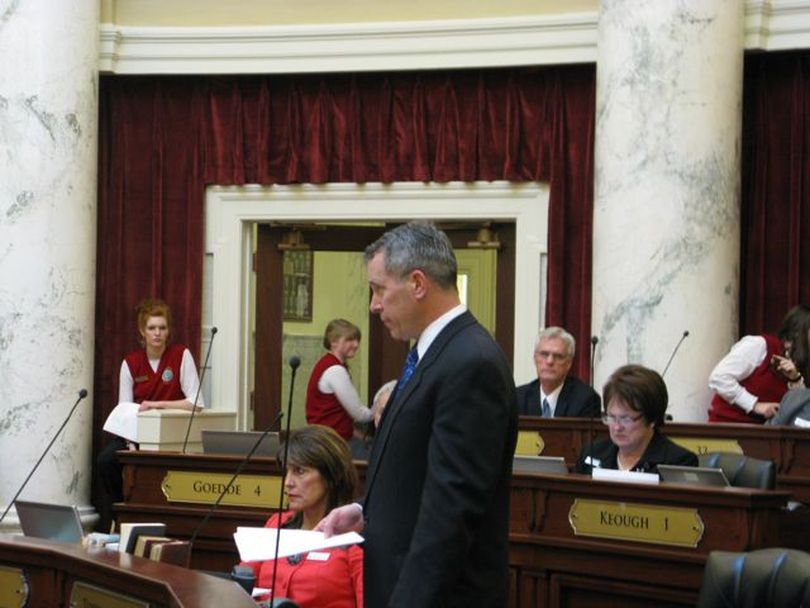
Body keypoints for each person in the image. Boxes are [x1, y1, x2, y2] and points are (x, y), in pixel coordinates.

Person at [318, 221, 518, 608]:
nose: (373, 305)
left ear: (418, 284)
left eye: (378, 289)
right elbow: (417, 473)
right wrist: (365, 513)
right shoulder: (433, 352)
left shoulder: (470, 362)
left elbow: (451, 510)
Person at [97, 298, 204, 529]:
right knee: (106, 460)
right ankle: (121, 514)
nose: (157, 333)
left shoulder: (181, 355)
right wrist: (130, 443)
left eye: (162, 328)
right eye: (152, 328)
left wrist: (157, 405)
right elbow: (123, 409)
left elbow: (196, 403)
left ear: (169, 331)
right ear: (142, 331)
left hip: (169, 436)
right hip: (134, 434)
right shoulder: (130, 362)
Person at [241, 425, 363, 608]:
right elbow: (241, 585)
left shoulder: (353, 540)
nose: (288, 483)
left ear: (331, 475)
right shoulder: (276, 524)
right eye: (286, 471)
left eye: (299, 471)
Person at [576, 364, 697, 475]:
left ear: (652, 419)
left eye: (626, 419)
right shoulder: (591, 454)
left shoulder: (678, 462)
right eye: (611, 417)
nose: (617, 427)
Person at [708, 305, 810, 423]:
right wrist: (755, 405)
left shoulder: (802, 363)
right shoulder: (760, 346)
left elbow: (801, 407)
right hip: (728, 426)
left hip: (765, 435)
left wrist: (795, 379)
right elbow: (719, 378)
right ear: (798, 333)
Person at [306, 319, 373, 440]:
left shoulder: (326, 363)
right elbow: (358, 413)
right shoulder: (335, 370)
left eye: (357, 339)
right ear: (333, 342)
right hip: (331, 443)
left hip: (324, 439)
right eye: (349, 340)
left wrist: (362, 437)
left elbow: (335, 414)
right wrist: (379, 410)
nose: (356, 344)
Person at [515, 326, 601, 417]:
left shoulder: (586, 400)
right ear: (535, 358)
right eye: (544, 354)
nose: (550, 361)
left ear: (569, 363)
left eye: (558, 356)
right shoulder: (519, 398)